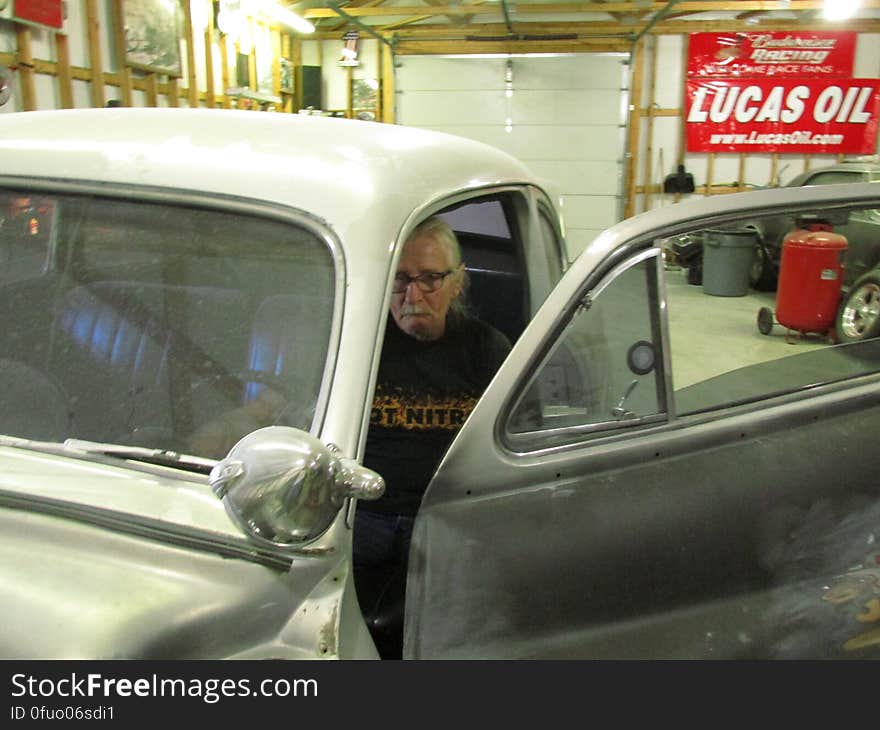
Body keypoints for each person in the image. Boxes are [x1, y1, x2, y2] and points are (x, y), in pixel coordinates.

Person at [354, 216, 512, 659]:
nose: (413, 295)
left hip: (444, 523)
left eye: (429, 279)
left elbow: (517, 435)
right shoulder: (363, 345)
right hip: (362, 517)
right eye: (400, 280)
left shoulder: (487, 349)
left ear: (458, 282)